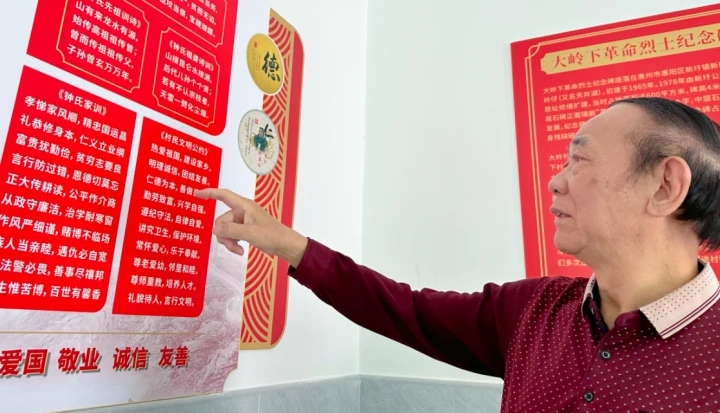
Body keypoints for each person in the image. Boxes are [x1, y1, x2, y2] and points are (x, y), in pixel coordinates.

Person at [196, 97, 720, 412]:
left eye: (579, 160)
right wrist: (284, 242)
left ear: (665, 186)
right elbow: (404, 309)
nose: (556, 181)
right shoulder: (534, 311)